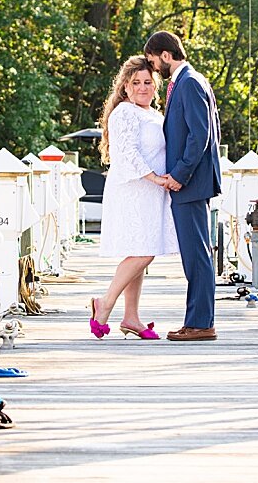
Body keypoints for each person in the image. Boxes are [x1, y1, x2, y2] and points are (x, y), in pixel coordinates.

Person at [90, 55, 178, 340]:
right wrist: (155, 178)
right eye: (136, 83)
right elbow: (126, 153)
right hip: (134, 189)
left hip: (152, 192)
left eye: (148, 82)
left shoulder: (154, 114)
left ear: (156, 85)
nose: (142, 87)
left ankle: (131, 317)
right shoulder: (125, 113)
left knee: (141, 251)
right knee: (143, 250)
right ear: (125, 87)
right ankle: (104, 304)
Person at [143, 29, 222, 342]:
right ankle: (196, 320)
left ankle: (201, 323)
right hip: (192, 183)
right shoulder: (190, 81)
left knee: (197, 256)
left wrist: (179, 174)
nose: (153, 68)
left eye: (153, 61)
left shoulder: (188, 83)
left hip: (190, 183)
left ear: (165, 55)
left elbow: (198, 135)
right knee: (195, 255)